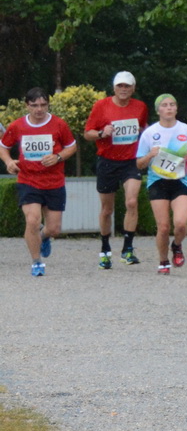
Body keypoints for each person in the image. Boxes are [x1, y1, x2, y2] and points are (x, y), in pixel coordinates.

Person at [1, 88, 78, 277]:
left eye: (43, 105)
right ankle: (36, 262)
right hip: (29, 180)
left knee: (54, 229)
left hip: (54, 182)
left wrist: (58, 157)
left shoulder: (59, 124)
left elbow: (72, 147)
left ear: (48, 104)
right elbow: (3, 147)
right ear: (27, 105)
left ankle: (43, 237)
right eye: (34, 105)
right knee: (33, 220)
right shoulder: (18, 126)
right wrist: (9, 161)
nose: (39, 109)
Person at [85, 71, 151, 268]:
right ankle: (105, 249)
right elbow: (87, 134)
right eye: (120, 86)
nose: (123, 89)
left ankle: (127, 249)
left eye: (127, 86)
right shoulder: (101, 106)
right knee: (107, 210)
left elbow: (143, 128)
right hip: (107, 161)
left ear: (133, 88)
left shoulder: (140, 107)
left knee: (131, 202)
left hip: (131, 161)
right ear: (114, 87)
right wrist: (101, 133)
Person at [137, 94, 187, 275]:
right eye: (164, 105)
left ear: (176, 108)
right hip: (158, 181)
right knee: (163, 227)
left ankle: (177, 245)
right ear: (158, 110)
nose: (169, 108)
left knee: (180, 223)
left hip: (182, 180)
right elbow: (139, 163)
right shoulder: (149, 134)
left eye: (172, 104)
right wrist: (150, 155)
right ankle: (163, 261)